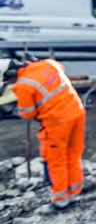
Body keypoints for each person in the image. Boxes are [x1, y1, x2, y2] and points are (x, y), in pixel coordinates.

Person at [1, 58, 86, 210]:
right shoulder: (48, 63)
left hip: (57, 121)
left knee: (56, 159)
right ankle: (74, 191)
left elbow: (27, 113)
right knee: (73, 154)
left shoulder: (23, 85)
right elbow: (59, 70)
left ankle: (61, 200)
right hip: (76, 111)